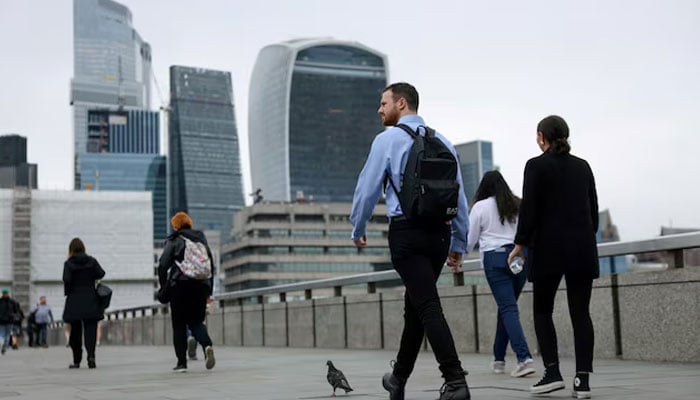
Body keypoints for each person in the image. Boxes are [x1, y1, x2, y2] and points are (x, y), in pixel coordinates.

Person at [350, 82, 470, 400]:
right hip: (440, 237)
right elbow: (458, 196)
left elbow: (367, 188)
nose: (379, 109)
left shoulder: (387, 140)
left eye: (383, 103)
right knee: (415, 307)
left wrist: (357, 227)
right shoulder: (443, 140)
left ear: (402, 104)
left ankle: (456, 381)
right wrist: (459, 244)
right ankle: (398, 378)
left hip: (407, 235)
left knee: (427, 306)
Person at [508, 115, 598, 399]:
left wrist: (520, 243)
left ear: (540, 136)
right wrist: (584, 236)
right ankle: (582, 381)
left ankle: (552, 372)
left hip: (547, 249)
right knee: (581, 314)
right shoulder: (583, 167)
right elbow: (593, 212)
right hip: (581, 248)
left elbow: (530, 210)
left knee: (542, 310)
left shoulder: (535, 166)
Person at [467, 171, 535, 377]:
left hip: (495, 259)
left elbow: (470, 239)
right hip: (519, 258)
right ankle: (498, 360)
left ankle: (524, 358)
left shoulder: (480, 207)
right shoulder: (518, 204)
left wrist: (457, 257)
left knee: (507, 308)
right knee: (507, 307)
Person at [158, 211, 216, 372]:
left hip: (180, 286)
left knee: (179, 325)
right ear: (190, 223)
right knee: (196, 322)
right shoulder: (201, 241)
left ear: (175, 225)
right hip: (201, 286)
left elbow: (163, 265)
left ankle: (182, 363)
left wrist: (164, 287)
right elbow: (211, 267)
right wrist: (209, 291)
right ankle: (207, 346)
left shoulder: (175, 240)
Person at [63, 238, 106, 369]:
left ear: (71, 249)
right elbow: (101, 273)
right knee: (90, 329)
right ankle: (91, 357)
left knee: (75, 331)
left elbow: (66, 280)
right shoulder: (91, 261)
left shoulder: (68, 264)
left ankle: (77, 360)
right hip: (90, 299)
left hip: (74, 300)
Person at [0, 288, 21, 355]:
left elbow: (17, 311)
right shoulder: (12, 301)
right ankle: (4, 345)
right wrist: (15, 316)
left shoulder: (12, 301)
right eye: (5, 293)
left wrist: (15, 316)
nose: (5, 294)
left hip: (7, 320)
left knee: (5, 334)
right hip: (5, 320)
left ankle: (3, 345)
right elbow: (17, 311)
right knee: (5, 334)